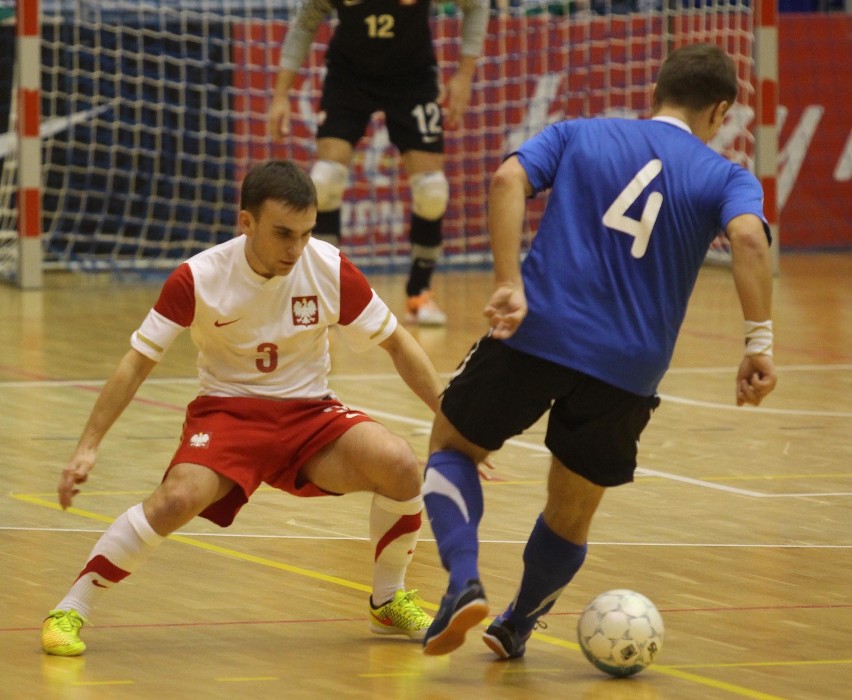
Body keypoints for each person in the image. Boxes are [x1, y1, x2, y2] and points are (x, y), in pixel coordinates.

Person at [419, 43, 778, 657]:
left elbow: (508, 177)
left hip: (540, 331)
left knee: (452, 446)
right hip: (630, 368)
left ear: (655, 93)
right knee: (572, 505)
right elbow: (748, 238)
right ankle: (517, 623)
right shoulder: (726, 176)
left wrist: (509, 280)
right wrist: (759, 342)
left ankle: (462, 579)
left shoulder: (579, 133)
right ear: (720, 111)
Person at [41, 159, 446, 657]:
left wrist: (449, 418)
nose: (295, 249)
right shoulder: (198, 277)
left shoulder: (329, 267)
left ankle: (387, 599)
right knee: (176, 499)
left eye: (305, 233)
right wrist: (87, 447)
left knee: (402, 465)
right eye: (282, 234)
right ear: (246, 222)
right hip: (227, 415)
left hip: (309, 416)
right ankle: (71, 608)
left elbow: (399, 344)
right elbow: (135, 364)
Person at [268, 0, 489, 326]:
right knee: (325, 181)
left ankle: (419, 292)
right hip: (348, 78)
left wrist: (464, 75)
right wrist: (280, 95)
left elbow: (477, 5)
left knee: (432, 191)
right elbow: (304, 24)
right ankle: (327, 290)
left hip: (412, 80)